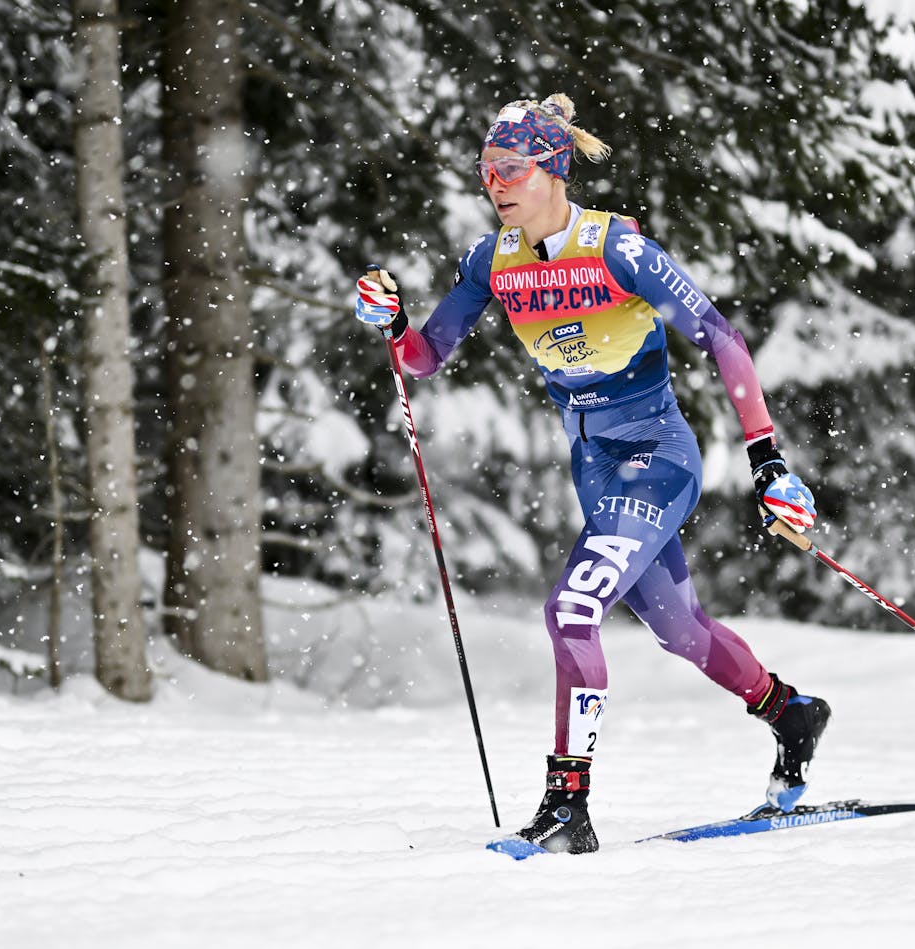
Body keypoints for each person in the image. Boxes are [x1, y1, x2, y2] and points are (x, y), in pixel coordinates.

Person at [354, 93, 829, 855]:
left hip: (658, 456)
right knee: (678, 629)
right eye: (487, 171)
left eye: (510, 169)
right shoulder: (493, 261)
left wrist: (767, 460)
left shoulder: (618, 251)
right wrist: (394, 323)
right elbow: (424, 359)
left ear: (553, 170)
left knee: (573, 609)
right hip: (596, 467)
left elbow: (722, 336)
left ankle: (567, 804)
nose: (496, 184)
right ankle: (788, 711)